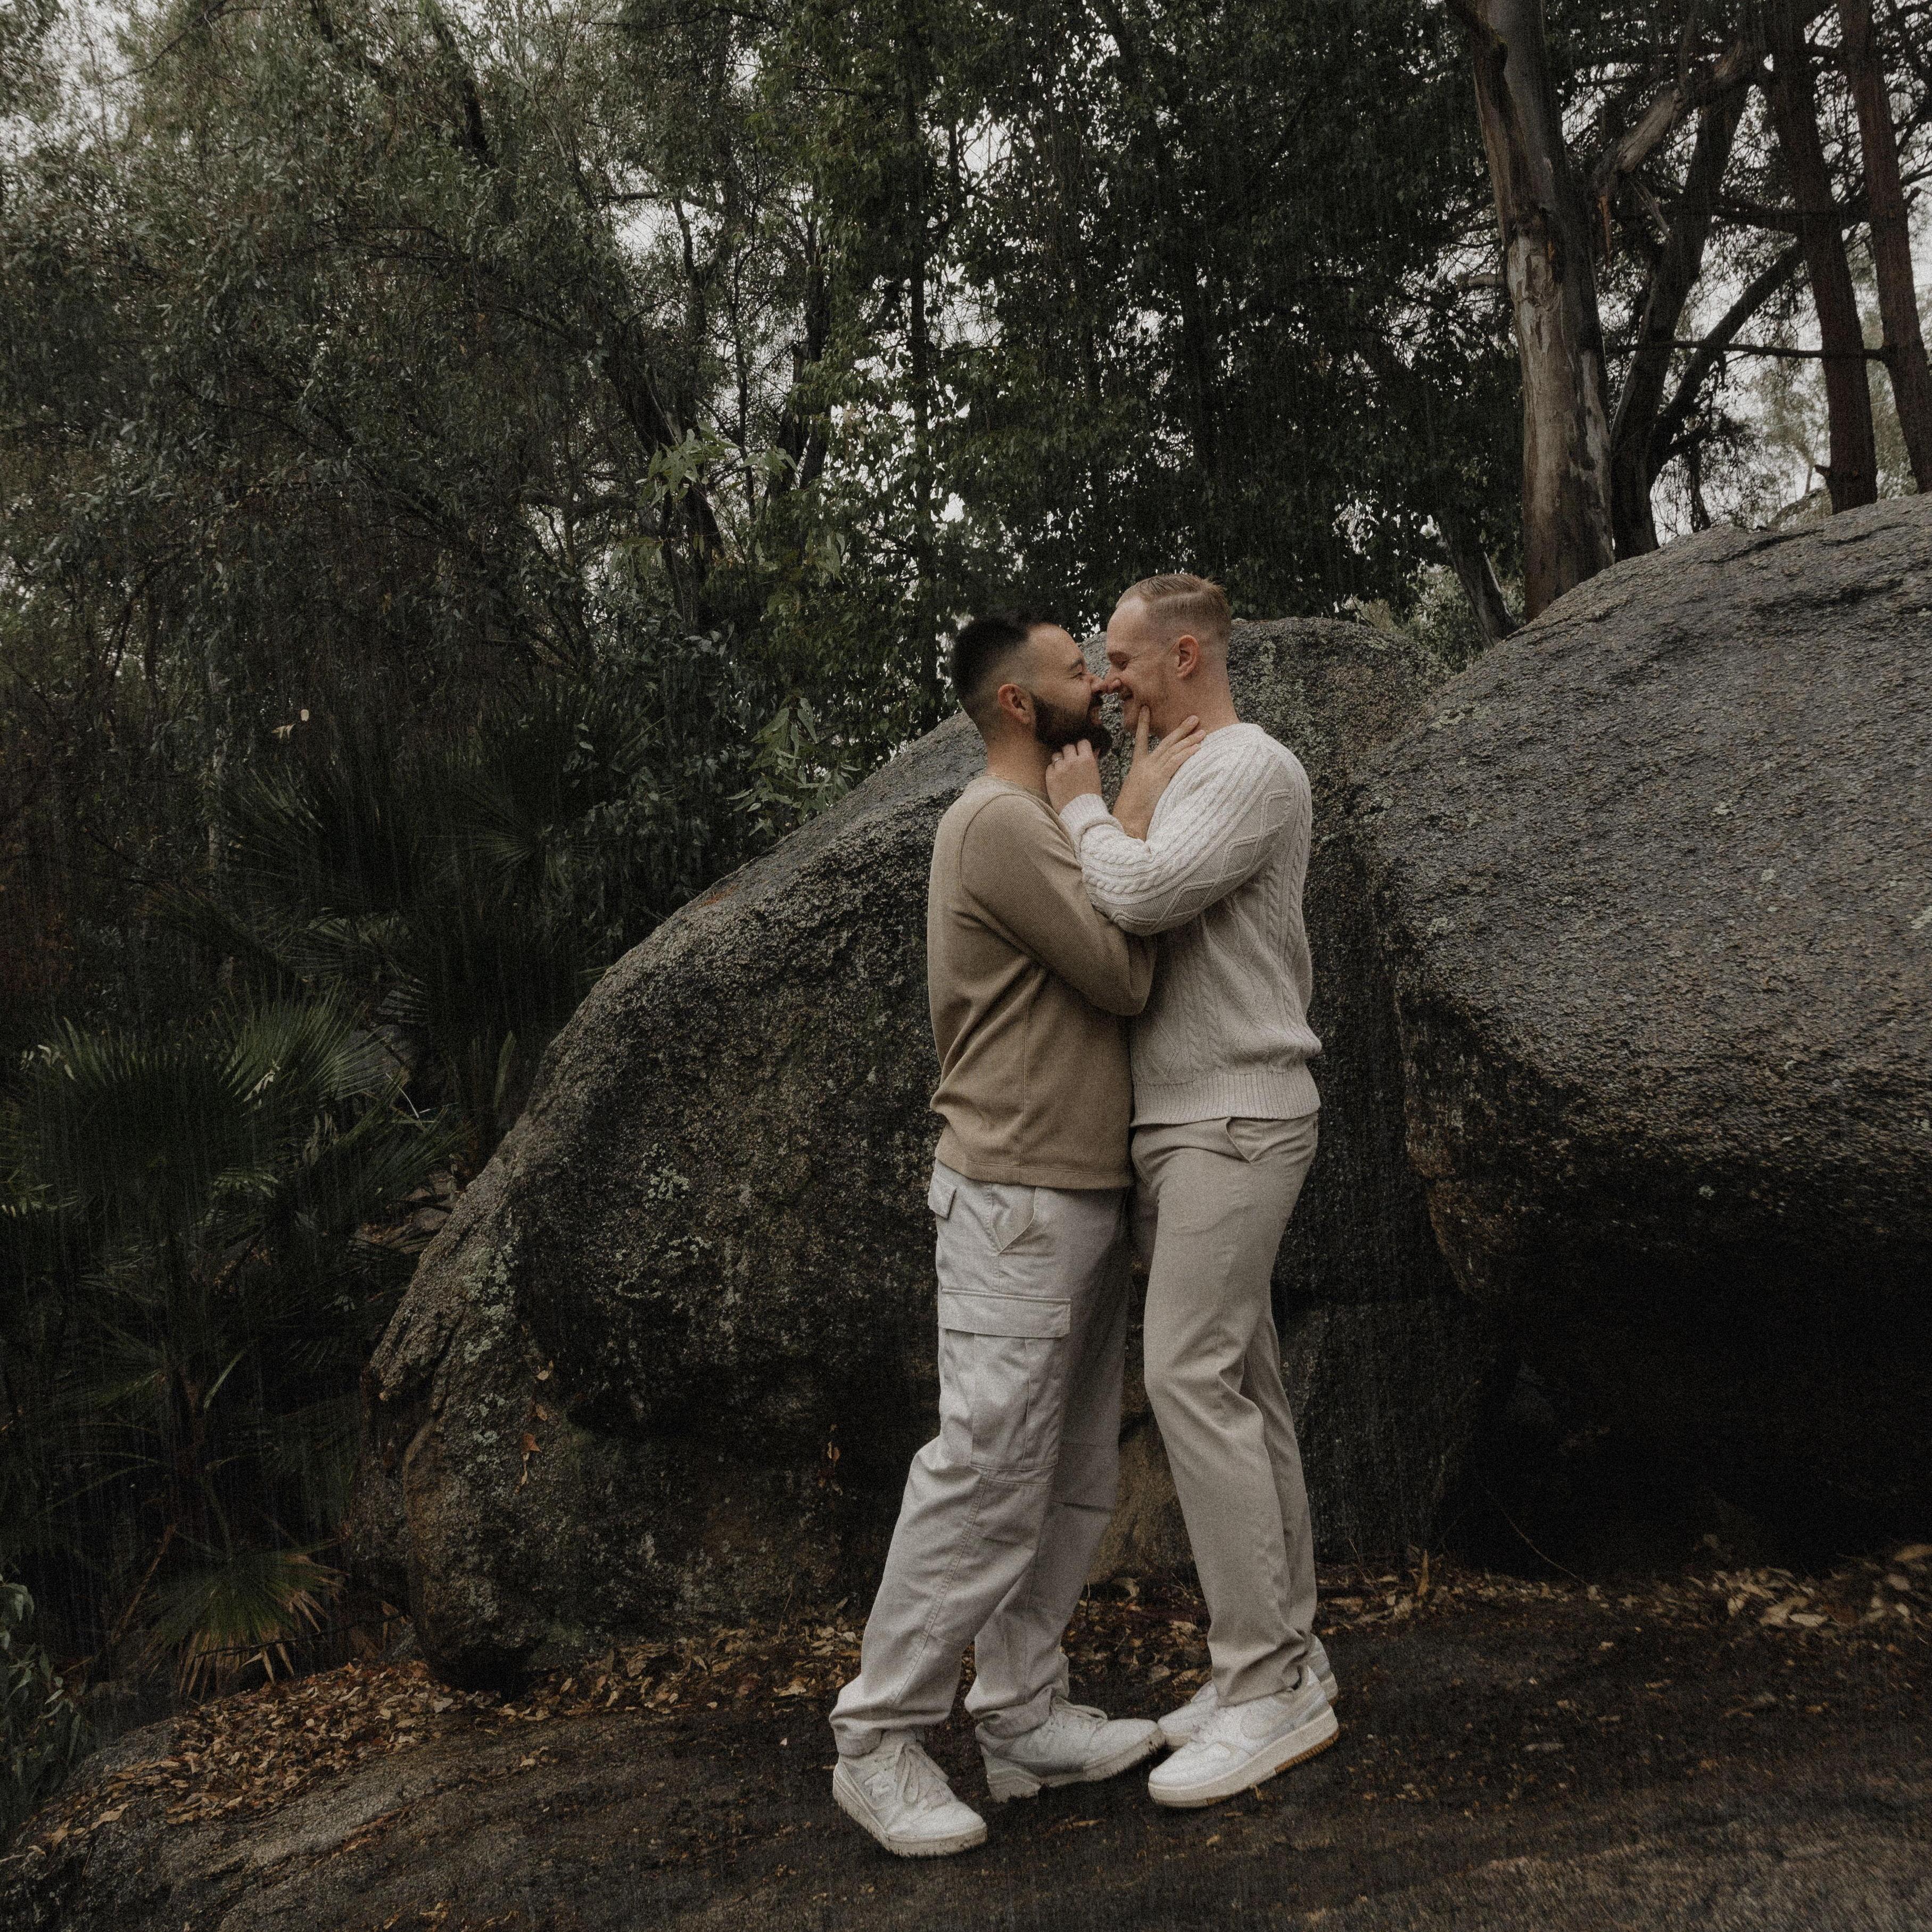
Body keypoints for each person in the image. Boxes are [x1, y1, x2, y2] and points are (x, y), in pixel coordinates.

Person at [828, 609, 1201, 1857]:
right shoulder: (998, 825)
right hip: (1017, 1201)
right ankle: (876, 1739)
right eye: (1071, 670)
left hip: (1073, 1192)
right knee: (987, 1471)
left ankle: (1022, 1713)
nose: (1098, 681)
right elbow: (1125, 974)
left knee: (1073, 1472)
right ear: (1016, 705)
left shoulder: (1036, 820)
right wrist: (1132, 800)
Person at [1044, 572, 1339, 1810]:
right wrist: (1125, 802)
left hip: (1237, 1115)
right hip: (1184, 1121)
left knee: (1186, 1377)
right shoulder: (1175, 773)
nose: (1108, 680)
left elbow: (1141, 895)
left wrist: (1081, 808)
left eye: (1122, 659)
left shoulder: (1250, 766)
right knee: (1242, 1384)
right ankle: (1288, 1661)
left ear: (1185, 657)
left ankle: (1265, 1686)